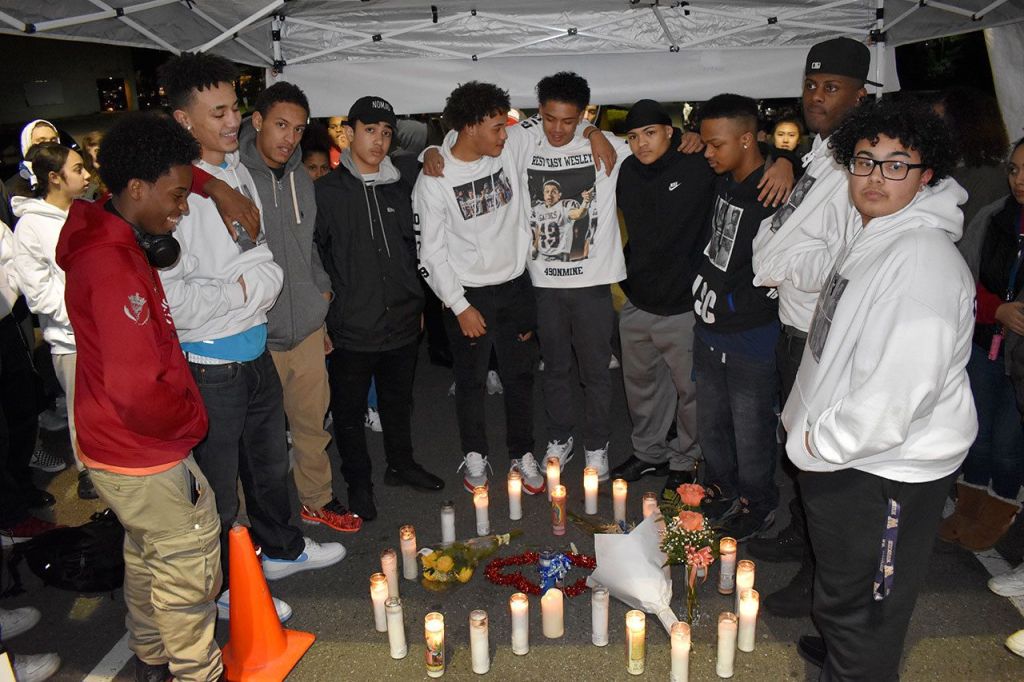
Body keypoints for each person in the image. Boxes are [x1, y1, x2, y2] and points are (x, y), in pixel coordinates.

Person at [783, 98, 974, 680]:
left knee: (867, 606)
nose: (875, 177)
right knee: (845, 585)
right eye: (865, 161)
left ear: (926, 174)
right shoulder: (880, 232)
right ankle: (843, 647)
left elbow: (898, 394)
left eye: (896, 165)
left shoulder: (920, 261)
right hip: (851, 458)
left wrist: (821, 444)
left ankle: (857, 663)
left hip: (881, 466)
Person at [158, 52, 345, 618]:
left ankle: (281, 550)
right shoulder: (175, 190)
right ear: (184, 119)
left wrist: (253, 287)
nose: (232, 120)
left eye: (233, 108)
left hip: (253, 345)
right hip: (210, 359)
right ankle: (221, 589)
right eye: (216, 112)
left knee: (267, 468)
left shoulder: (235, 172)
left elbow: (264, 260)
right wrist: (244, 293)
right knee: (217, 487)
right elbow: (172, 297)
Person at [55, 111, 223, 682]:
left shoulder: (110, 236)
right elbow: (136, 390)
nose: (183, 207)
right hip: (143, 450)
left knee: (149, 554)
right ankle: (197, 673)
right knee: (187, 565)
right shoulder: (114, 267)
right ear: (135, 188)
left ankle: (151, 656)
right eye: (176, 196)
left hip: (111, 442)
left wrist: (210, 185)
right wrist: (189, 421)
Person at [748, 36, 876, 617]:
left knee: (821, 458)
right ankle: (800, 537)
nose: (816, 96)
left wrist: (780, 266)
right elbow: (792, 222)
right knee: (796, 444)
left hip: (822, 334)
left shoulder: (861, 162)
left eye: (831, 87)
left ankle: (820, 577)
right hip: (794, 323)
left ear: (860, 95)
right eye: (810, 85)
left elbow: (849, 257)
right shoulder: (822, 151)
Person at [238, 81, 362, 535]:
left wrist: (320, 297)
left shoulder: (301, 179)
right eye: (280, 125)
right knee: (259, 438)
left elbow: (307, 247)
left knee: (312, 425)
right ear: (257, 122)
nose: (289, 137)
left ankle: (317, 499)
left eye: (297, 128)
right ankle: (247, 524)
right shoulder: (233, 179)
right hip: (257, 330)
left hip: (307, 325)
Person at [316, 95, 444, 520]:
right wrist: (323, 320)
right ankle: (358, 483)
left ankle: (401, 465)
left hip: (403, 319)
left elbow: (414, 246)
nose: (379, 140)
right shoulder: (326, 193)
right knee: (349, 412)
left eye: (386, 132)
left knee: (397, 401)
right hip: (352, 325)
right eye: (370, 130)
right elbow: (316, 258)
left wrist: (417, 299)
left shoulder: (402, 183)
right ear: (348, 133)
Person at [414, 81, 540, 494]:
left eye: (505, 126)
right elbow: (430, 253)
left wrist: (593, 132)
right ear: (469, 127)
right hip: (469, 294)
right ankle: (474, 453)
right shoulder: (434, 180)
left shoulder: (508, 146)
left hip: (516, 286)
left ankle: (522, 452)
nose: (505, 135)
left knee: (520, 377)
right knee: (469, 381)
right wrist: (459, 305)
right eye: (496, 127)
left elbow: (556, 123)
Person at [692, 94, 781, 541]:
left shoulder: (775, 190)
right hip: (708, 328)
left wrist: (785, 160)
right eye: (705, 143)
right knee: (712, 425)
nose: (708, 153)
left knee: (752, 431)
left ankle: (758, 504)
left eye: (716, 144)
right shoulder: (725, 179)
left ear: (747, 140)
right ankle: (723, 489)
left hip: (750, 335)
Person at [939, 137, 1024, 551]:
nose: (1019, 180)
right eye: (1015, 170)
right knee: (974, 431)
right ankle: (968, 507)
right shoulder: (994, 216)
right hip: (984, 342)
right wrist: (996, 310)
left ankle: (997, 513)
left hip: (1019, 359)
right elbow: (962, 276)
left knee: (1009, 444)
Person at [10, 143, 97, 499]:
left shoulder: (86, 211)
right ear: (54, 178)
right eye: (78, 169)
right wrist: (81, 315)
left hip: (103, 330)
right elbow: (38, 292)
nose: (87, 175)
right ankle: (88, 471)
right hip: (70, 338)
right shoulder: (30, 226)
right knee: (82, 409)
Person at [5, 120, 59, 200]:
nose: (49, 145)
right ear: (27, 144)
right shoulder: (13, 187)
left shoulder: (70, 175)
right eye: (42, 142)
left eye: (53, 141)